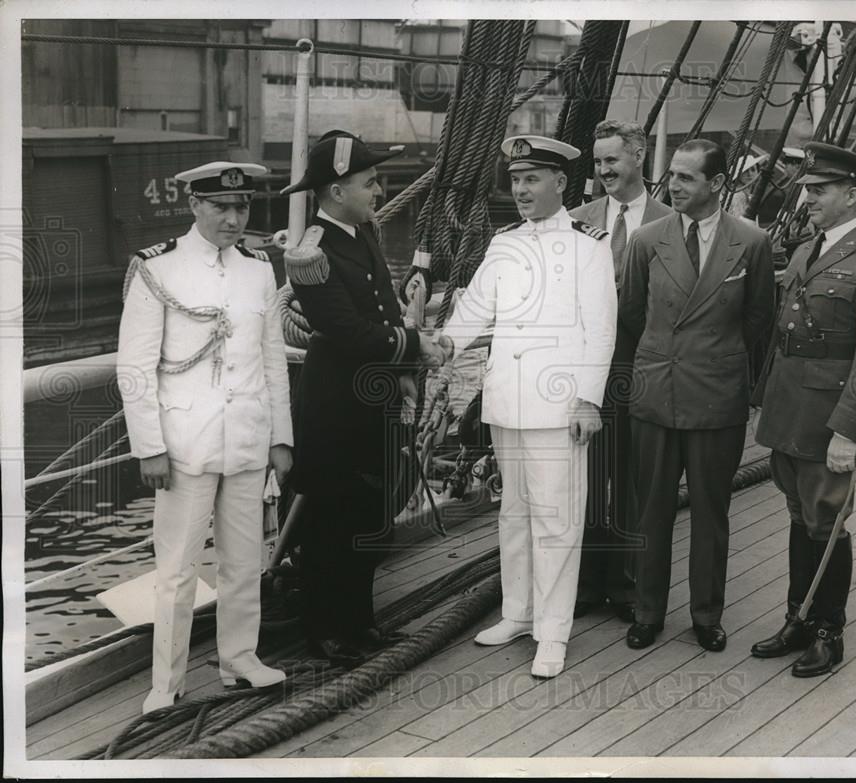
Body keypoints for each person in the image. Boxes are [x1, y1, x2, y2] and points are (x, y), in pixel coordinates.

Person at [436, 135, 617, 678]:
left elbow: (601, 328)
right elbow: (475, 308)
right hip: (506, 403)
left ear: (560, 183)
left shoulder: (590, 243)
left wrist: (588, 398)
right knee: (513, 513)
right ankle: (518, 612)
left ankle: (554, 632)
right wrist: (442, 344)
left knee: (557, 519)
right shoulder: (504, 241)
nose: (520, 189)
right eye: (515, 180)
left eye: (532, 179)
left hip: (559, 406)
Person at [117, 161, 294, 715]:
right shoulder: (157, 269)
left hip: (245, 437)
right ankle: (165, 684)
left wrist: (280, 437)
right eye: (222, 207)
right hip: (183, 443)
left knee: (244, 561)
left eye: (242, 208)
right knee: (176, 571)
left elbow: (273, 360)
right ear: (194, 205)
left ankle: (240, 659)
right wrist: (148, 446)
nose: (234, 218)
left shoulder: (258, 270)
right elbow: (136, 368)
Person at [280, 130, 443, 665]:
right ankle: (325, 631)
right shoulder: (311, 252)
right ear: (334, 192)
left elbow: (386, 312)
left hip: (374, 398)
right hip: (335, 406)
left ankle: (360, 622)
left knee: (370, 517)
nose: (377, 192)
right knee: (331, 522)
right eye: (369, 183)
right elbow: (348, 331)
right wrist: (416, 345)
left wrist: (401, 368)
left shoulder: (361, 232)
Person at [750, 142, 856, 676]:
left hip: (831, 417)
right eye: (807, 190)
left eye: (818, 191)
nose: (808, 199)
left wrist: (849, 430)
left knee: (826, 521)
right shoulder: (807, 251)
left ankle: (827, 631)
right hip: (791, 408)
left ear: (852, 195)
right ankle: (798, 615)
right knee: (800, 515)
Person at [618, 139, 775, 652]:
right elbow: (633, 316)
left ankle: (707, 615)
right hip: (656, 395)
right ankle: (647, 612)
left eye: (687, 177)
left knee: (712, 513)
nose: (674, 186)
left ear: (717, 184)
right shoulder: (646, 240)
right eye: (672, 176)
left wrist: (714, 359)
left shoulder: (751, 242)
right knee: (652, 512)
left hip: (716, 397)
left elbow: (758, 321)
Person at [567, 119, 672, 622]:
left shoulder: (671, 222)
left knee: (636, 480)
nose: (603, 170)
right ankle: (589, 581)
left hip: (644, 367)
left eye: (612, 159)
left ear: (638, 155)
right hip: (588, 372)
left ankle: (629, 585)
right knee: (587, 476)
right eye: (598, 161)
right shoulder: (576, 221)